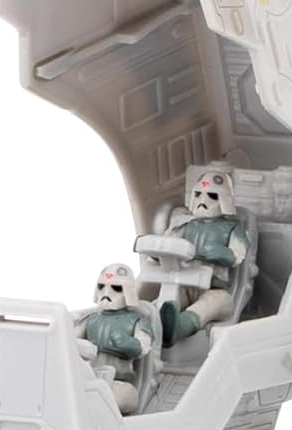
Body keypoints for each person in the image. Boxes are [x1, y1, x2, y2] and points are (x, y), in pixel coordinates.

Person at [159, 167, 249, 346]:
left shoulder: (233, 229)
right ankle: (158, 321)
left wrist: (214, 251)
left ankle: (178, 328)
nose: (203, 201)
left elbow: (237, 255)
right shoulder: (186, 226)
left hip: (215, 289)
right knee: (168, 296)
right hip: (185, 283)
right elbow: (167, 244)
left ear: (224, 200)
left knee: (208, 305)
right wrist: (158, 250)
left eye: (212, 196)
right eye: (198, 194)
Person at [74, 263, 152, 414]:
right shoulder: (92, 319)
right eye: (101, 286)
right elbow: (69, 341)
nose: (107, 292)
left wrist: (126, 343)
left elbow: (143, 346)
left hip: (118, 381)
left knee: (123, 396)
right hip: (89, 377)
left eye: (116, 288)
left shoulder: (137, 320)